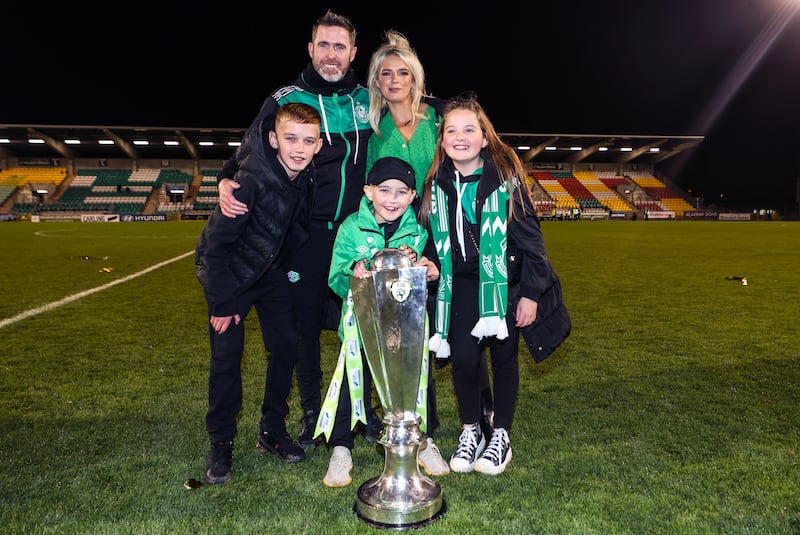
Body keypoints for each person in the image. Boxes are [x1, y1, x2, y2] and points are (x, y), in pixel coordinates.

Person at [215, 10, 378, 449]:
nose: (331, 54)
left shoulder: (370, 98)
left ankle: (364, 410)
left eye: (339, 47)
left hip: (358, 234)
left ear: (353, 53)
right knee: (303, 329)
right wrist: (224, 178)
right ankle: (313, 413)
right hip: (304, 236)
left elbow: (416, 108)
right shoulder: (286, 99)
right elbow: (249, 148)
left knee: (364, 324)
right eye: (323, 45)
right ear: (311, 49)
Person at [364, 30, 495, 469]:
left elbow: (472, 145)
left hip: (443, 234)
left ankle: (483, 416)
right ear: (377, 82)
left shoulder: (437, 118)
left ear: (416, 77)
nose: (395, 79)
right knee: (408, 334)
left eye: (403, 71)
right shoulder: (375, 129)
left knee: (462, 328)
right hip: (401, 241)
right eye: (387, 73)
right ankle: (411, 422)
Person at [419, 92, 567, 475]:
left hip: (503, 282)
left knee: (503, 359)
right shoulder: (436, 183)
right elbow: (436, 242)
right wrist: (432, 265)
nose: (460, 136)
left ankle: (500, 434)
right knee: (464, 359)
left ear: (485, 138)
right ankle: (472, 429)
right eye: (451, 130)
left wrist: (531, 295)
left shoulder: (507, 180)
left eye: (470, 129)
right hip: (461, 284)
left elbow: (532, 242)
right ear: (443, 140)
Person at [195, 102, 323, 484]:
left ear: (318, 146)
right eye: (290, 138)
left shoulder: (307, 176)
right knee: (226, 358)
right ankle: (221, 442)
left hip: (267, 272)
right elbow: (214, 249)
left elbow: (292, 227)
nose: (299, 148)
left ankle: (272, 430)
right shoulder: (249, 183)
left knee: (286, 345)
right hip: (231, 276)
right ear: (273, 139)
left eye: (308, 140)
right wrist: (223, 302)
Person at [315, 156, 440, 487]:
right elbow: (335, 278)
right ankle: (341, 448)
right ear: (369, 191)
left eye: (401, 192)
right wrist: (353, 271)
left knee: (416, 385)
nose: (392, 199)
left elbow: (427, 275)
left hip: (405, 334)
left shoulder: (418, 231)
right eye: (384, 190)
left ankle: (423, 442)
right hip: (361, 330)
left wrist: (427, 270)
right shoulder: (350, 227)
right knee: (350, 384)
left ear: (413, 196)